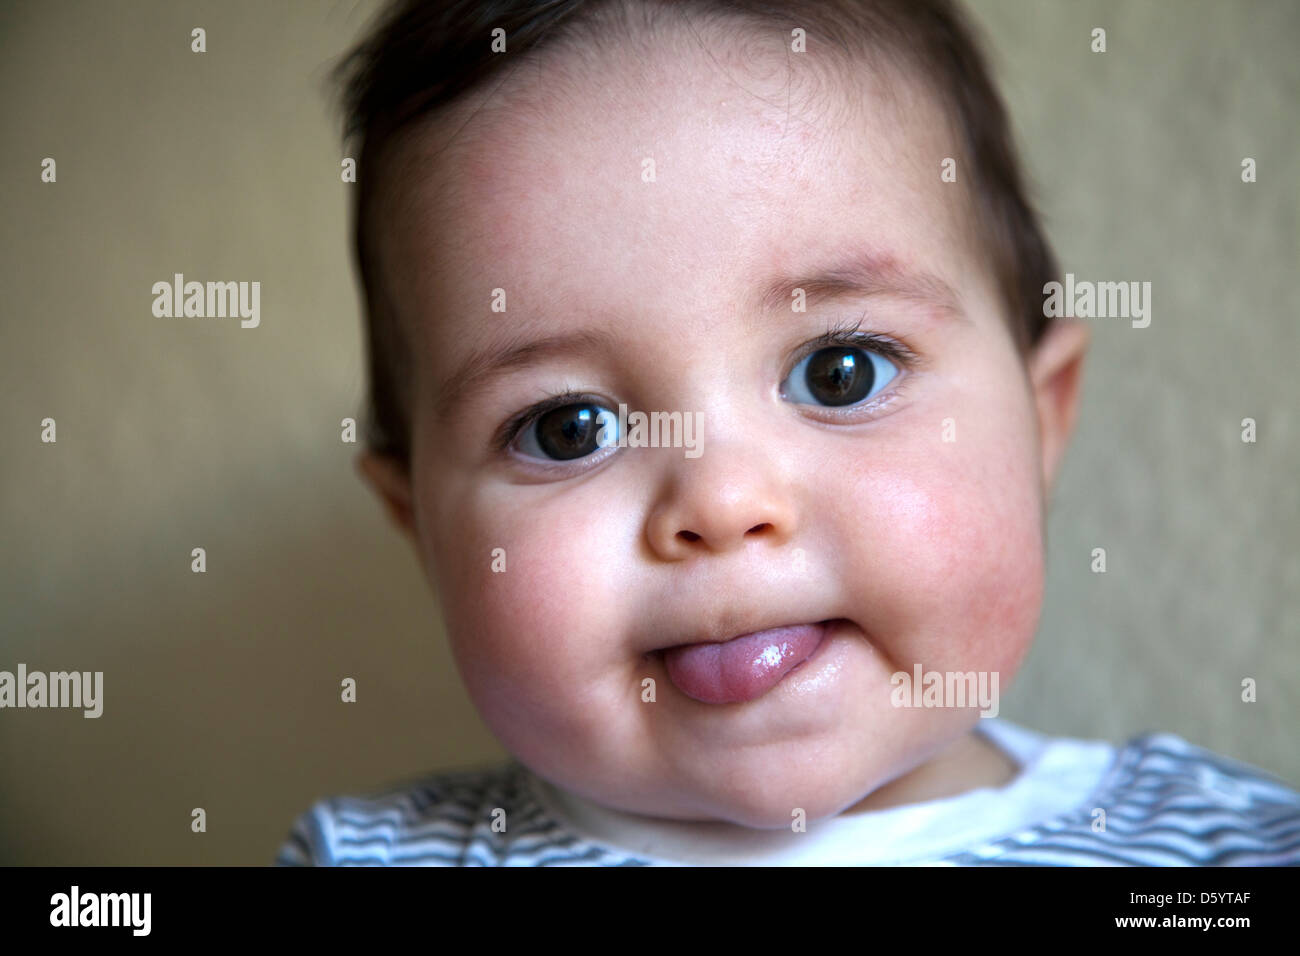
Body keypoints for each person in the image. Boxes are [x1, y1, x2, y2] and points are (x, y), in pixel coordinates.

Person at [275, 0, 1300, 865]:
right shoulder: (369, 857)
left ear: (1042, 419)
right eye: (565, 426)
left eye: (839, 370)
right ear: (422, 528)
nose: (721, 504)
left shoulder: (1222, 849)